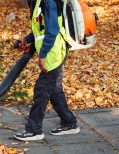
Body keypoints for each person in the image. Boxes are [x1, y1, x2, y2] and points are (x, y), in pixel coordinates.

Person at [14, 0, 80, 141]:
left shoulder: (48, 1)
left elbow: (52, 30)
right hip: (52, 50)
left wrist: (42, 54)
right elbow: (42, 27)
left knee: (42, 89)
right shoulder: (38, 1)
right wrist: (27, 38)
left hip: (52, 52)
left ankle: (34, 130)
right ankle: (69, 123)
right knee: (54, 90)